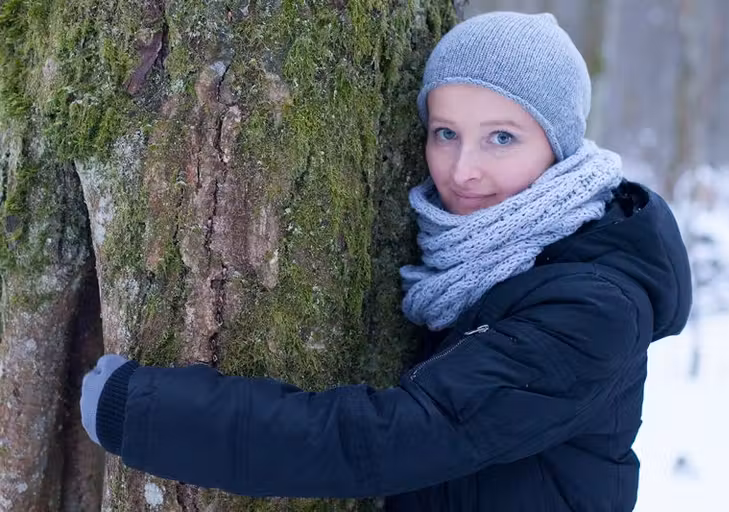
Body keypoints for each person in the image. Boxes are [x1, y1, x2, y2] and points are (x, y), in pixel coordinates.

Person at [80, 11, 692, 511]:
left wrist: (147, 413)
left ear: (558, 147)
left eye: (502, 137)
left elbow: (392, 437)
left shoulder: (592, 306)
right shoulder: (475, 258)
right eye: (446, 132)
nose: (462, 169)